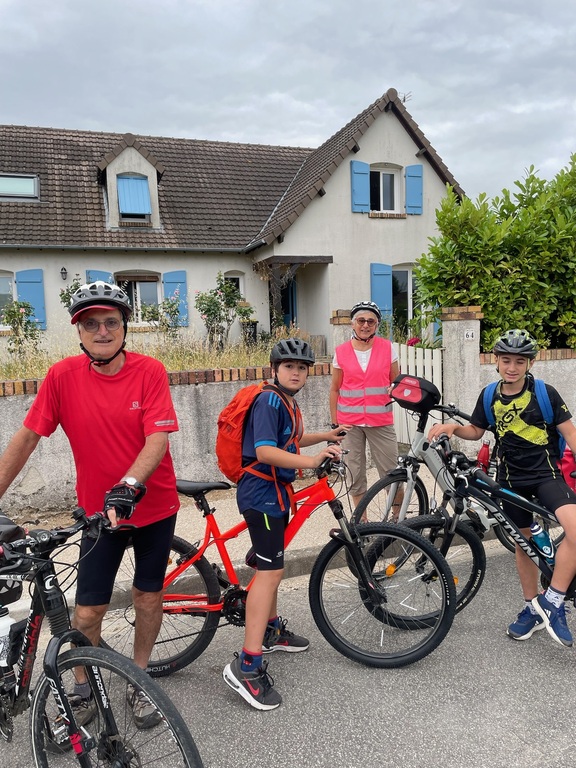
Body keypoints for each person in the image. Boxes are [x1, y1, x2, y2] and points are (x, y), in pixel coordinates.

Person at [0, 281, 180, 728]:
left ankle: (139, 679)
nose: (103, 331)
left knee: (147, 596)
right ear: (78, 330)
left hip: (152, 506)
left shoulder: (149, 371)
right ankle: (83, 685)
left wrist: (130, 483)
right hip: (101, 514)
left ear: (124, 327)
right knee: (87, 611)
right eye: (91, 323)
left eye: (111, 322)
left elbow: (157, 437)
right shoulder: (62, 377)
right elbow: (26, 439)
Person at [428, 329, 576, 648]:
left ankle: (552, 602)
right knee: (523, 544)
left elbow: (571, 436)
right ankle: (531, 608)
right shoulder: (489, 395)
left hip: (547, 477)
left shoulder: (546, 394)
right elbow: (476, 430)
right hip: (509, 481)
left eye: (519, 361)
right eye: (505, 360)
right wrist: (453, 427)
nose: (512, 367)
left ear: (530, 363)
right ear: (496, 361)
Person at [223, 339, 346, 710]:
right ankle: (246, 665)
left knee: (269, 564)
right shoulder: (269, 400)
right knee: (271, 572)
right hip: (260, 495)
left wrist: (326, 436)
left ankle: (271, 630)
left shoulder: (287, 403)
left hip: (273, 494)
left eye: (302, 367)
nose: (296, 372)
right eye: (289, 366)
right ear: (274, 369)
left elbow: (288, 440)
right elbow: (264, 451)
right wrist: (311, 461)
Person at [330, 300, 400, 509]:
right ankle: (361, 521)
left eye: (371, 321)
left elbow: (396, 382)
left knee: (391, 472)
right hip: (349, 424)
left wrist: (394, 390)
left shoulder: (388, 349)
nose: (365, 325)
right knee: (355, 473)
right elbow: (334, 389)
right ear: (353, 323)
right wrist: (335, 426)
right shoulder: (341, 352)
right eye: (361, 320)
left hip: (381, 421)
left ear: (377, 325)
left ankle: (399, 520)